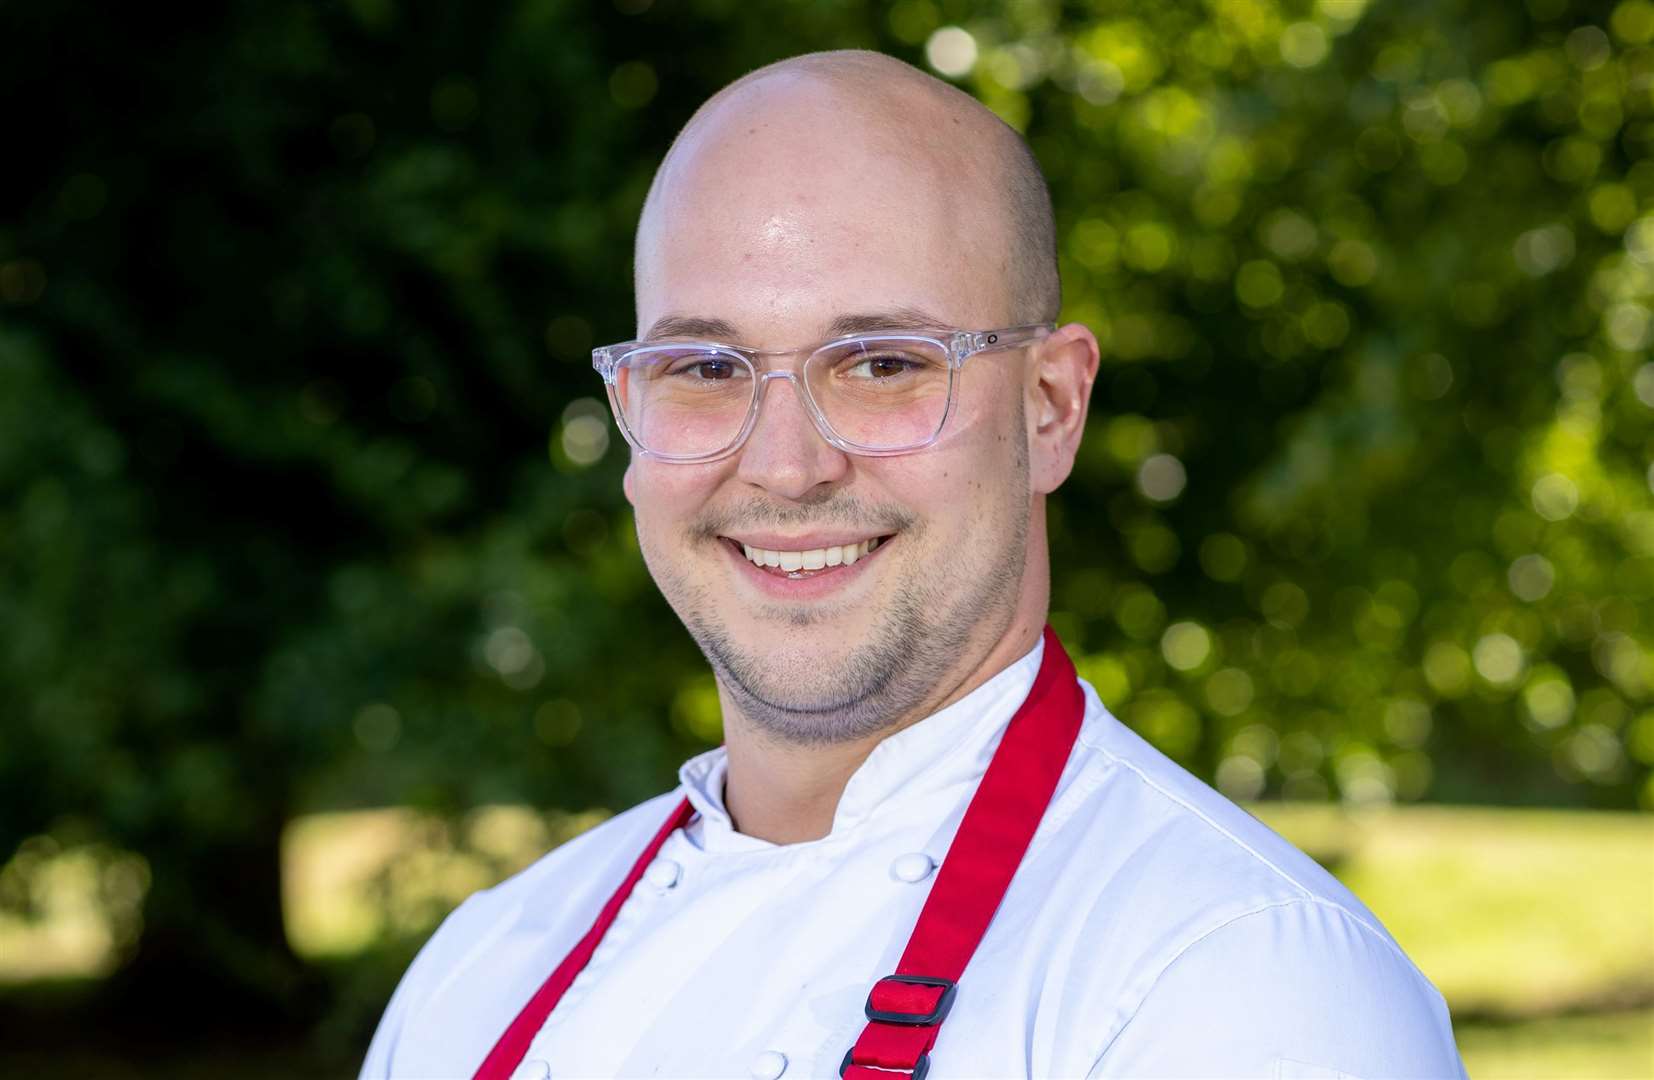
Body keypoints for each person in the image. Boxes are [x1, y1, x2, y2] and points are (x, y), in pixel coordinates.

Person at [361, 50, 1466, 1079]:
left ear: (1050, 407)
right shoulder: (477, 976)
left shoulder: (1244, 989)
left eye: (883, 363)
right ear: (629, 416)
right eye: (703, 364)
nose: (785, 467)